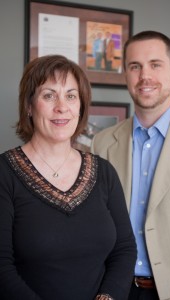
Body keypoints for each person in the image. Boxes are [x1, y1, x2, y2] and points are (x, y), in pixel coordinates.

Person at [0, 54, 137, 300]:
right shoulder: (4, 173)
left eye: (71, 96)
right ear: (29, 106)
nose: (61, 106)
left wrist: (108, 296)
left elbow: (124, 249)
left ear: (81, 106)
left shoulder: (104, 172)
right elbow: (1, 267)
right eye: (49, 95)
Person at [91, 30, 170, 300]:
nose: (144, 76)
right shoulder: (101, 144)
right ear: (125, 74)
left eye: (155, 65)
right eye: (135, 66)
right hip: (115, 290)